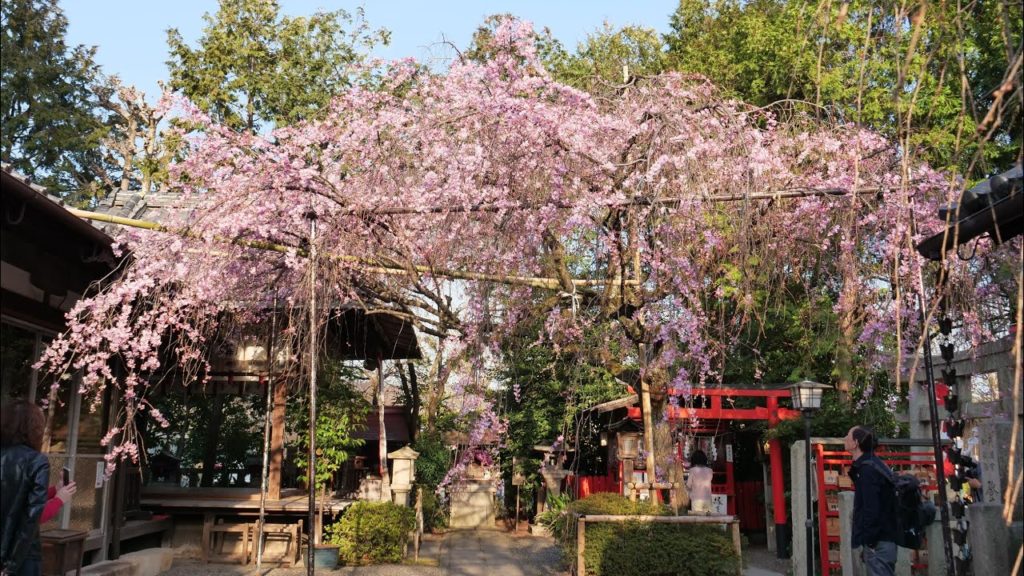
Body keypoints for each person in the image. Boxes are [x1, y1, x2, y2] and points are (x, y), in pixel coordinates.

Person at [1, 400, 76, 576]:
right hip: (20, 556)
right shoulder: (36, 461)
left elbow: (15, 496)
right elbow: (33, 517)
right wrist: (59, 499)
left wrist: (54, 491)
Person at [844, 425, 897, 576]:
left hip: (879, 541)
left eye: (848, 436)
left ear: (855, 443)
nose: (844, 439)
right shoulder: (873, 464)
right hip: (884, 538)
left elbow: (871, 508)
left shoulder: (867, 470)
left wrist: (870, 541)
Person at [686, 450, 714, 515]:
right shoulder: (710, 470)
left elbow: (688, 485)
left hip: (696, 499)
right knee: (708, 519)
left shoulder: (692, 470)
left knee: (698, 519)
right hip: (708, 499)